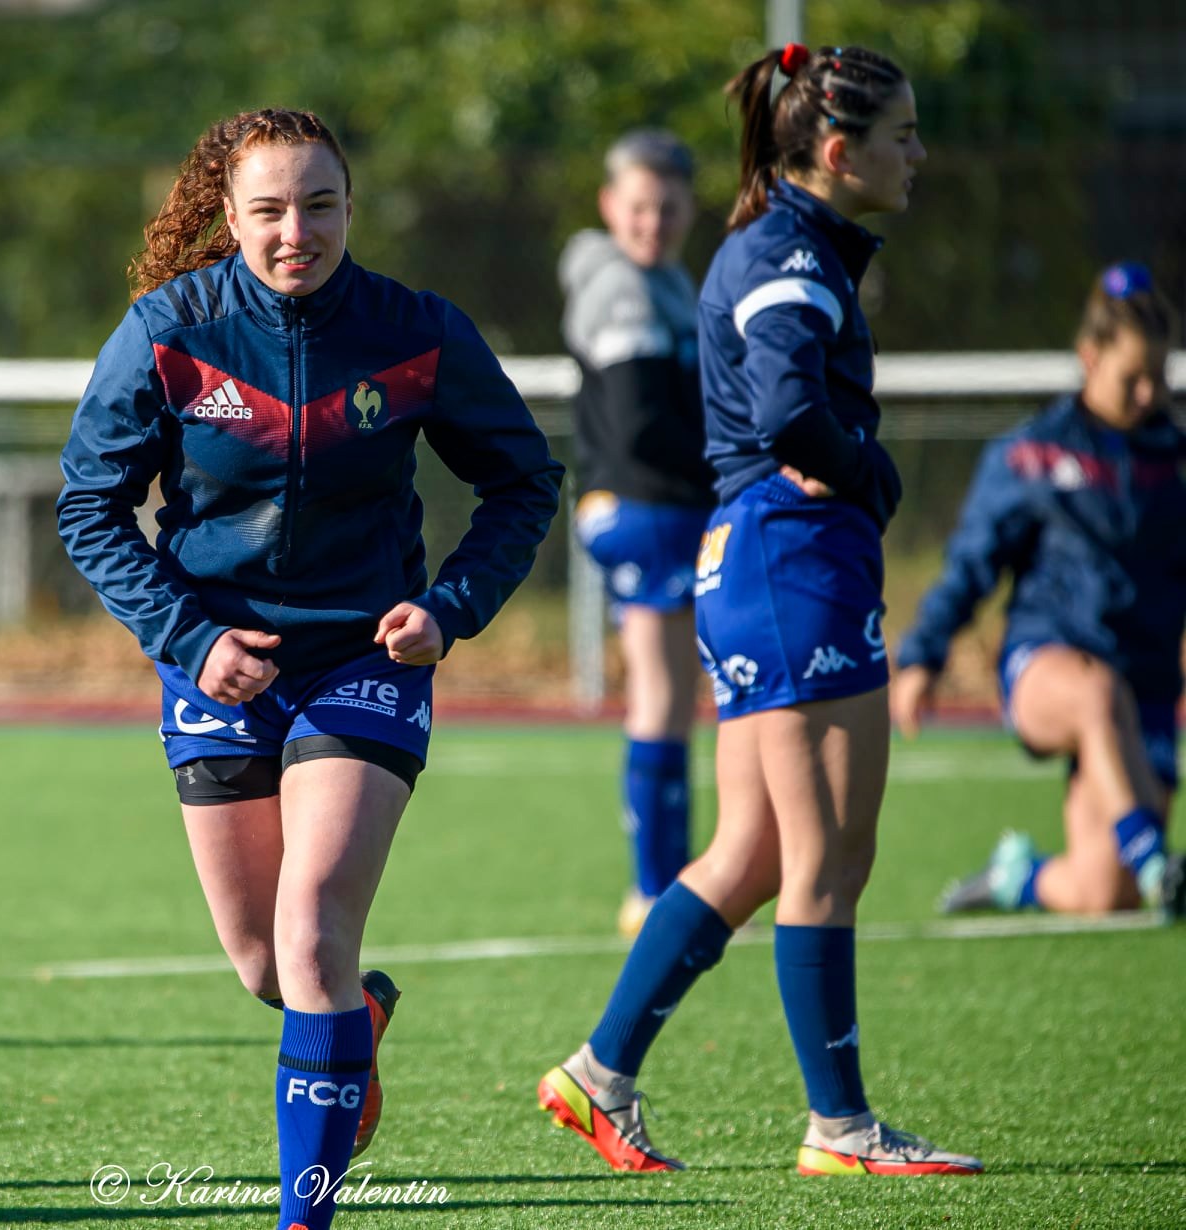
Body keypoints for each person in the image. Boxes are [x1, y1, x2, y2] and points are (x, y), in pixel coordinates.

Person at [57, 108, 563, 1230]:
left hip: (360, 662)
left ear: (352, 208)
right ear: (227, 215)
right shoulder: (168, 330)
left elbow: (524, 483)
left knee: (316, 926)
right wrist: (194, 642)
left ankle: (305, 1216)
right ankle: (353, 1028)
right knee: (265, 968)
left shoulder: (416, 331)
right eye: (272, 210)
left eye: (321, 205)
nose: (299, 231)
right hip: (219, 663)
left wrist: (449, 607)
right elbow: (89, 506)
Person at [536, 43, 982, 1176]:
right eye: (902, 136)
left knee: (751, 850)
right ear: (838, 152)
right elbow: (788, 408)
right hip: (792, 567)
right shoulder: (788, 252)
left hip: (752, 566)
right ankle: (841, 1127)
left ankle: (599, 1074)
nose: (918, 154)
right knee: (829, 856)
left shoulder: (781, 242)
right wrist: (869, 475)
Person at [893, 263, 1186, 920]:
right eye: (1131, 378)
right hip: (1050, 665)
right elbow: (971, 563)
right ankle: (1151, 857)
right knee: (1094, 692)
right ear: (1089, 357)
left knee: (1102, 893)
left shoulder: (1175, 462)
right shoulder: (1031, 455)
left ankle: (1017, 879)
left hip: (1147, 687)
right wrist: (921, 656)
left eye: (1158, 378)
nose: (1147, 394)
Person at [560, 129, 714, 936]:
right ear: (610, 207)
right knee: (661, 697)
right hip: (648, 507)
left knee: (676, 698)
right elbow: (639, 427)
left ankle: (672, 881)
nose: (653, 222)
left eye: (669, 207)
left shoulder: (669, 281)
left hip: (658, 506)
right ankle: (657, 890)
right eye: (640, 207)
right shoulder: (623, 288)